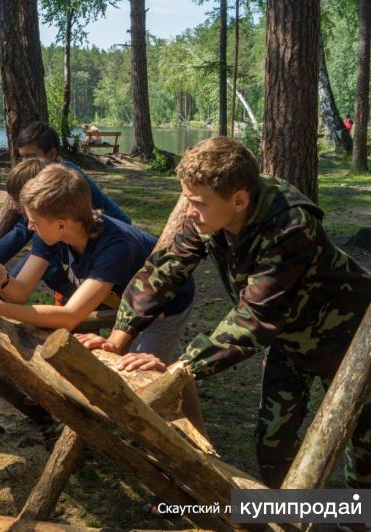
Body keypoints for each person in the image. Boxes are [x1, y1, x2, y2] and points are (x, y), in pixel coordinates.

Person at [85, 136, 371, 488]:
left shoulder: (291, 226)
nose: (189, 212)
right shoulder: (209, 212)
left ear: (239, 200)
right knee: (272, 442)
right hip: (290, 340)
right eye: (188, 200)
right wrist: (118, 337)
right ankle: (285, 518)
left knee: (364, 449)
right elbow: (164, 269)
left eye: (198, 204)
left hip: (353, 342)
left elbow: (254, 318)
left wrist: (184, 367)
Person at [0, 163, 204, 430]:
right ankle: (197, 426)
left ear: (61, 224)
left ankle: (188, 444)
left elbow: (70, 317)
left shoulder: (115, 246)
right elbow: (21, 290)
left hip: (163, 305)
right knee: (163, 364)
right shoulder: (52, 235)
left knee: (144, 378)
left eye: (34, 222)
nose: (30, 227)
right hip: (123, 305)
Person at [0, 121, 131, 286]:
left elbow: (120, 222)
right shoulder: (36, 179)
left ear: (52, 155)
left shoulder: (65, 179)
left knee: (44, 266)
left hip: (100, 240)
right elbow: (21, 226)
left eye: (30, 156)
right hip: (61, 234)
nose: (26, 163)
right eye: (22, 157)